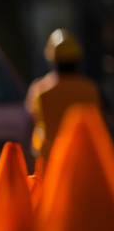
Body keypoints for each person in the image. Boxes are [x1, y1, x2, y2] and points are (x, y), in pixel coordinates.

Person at [27, 28, 103, 162]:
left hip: (49, 159)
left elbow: (31, 118)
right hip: (83, 159)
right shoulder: (90, 89)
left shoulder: (40, 89)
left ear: (52, 59)